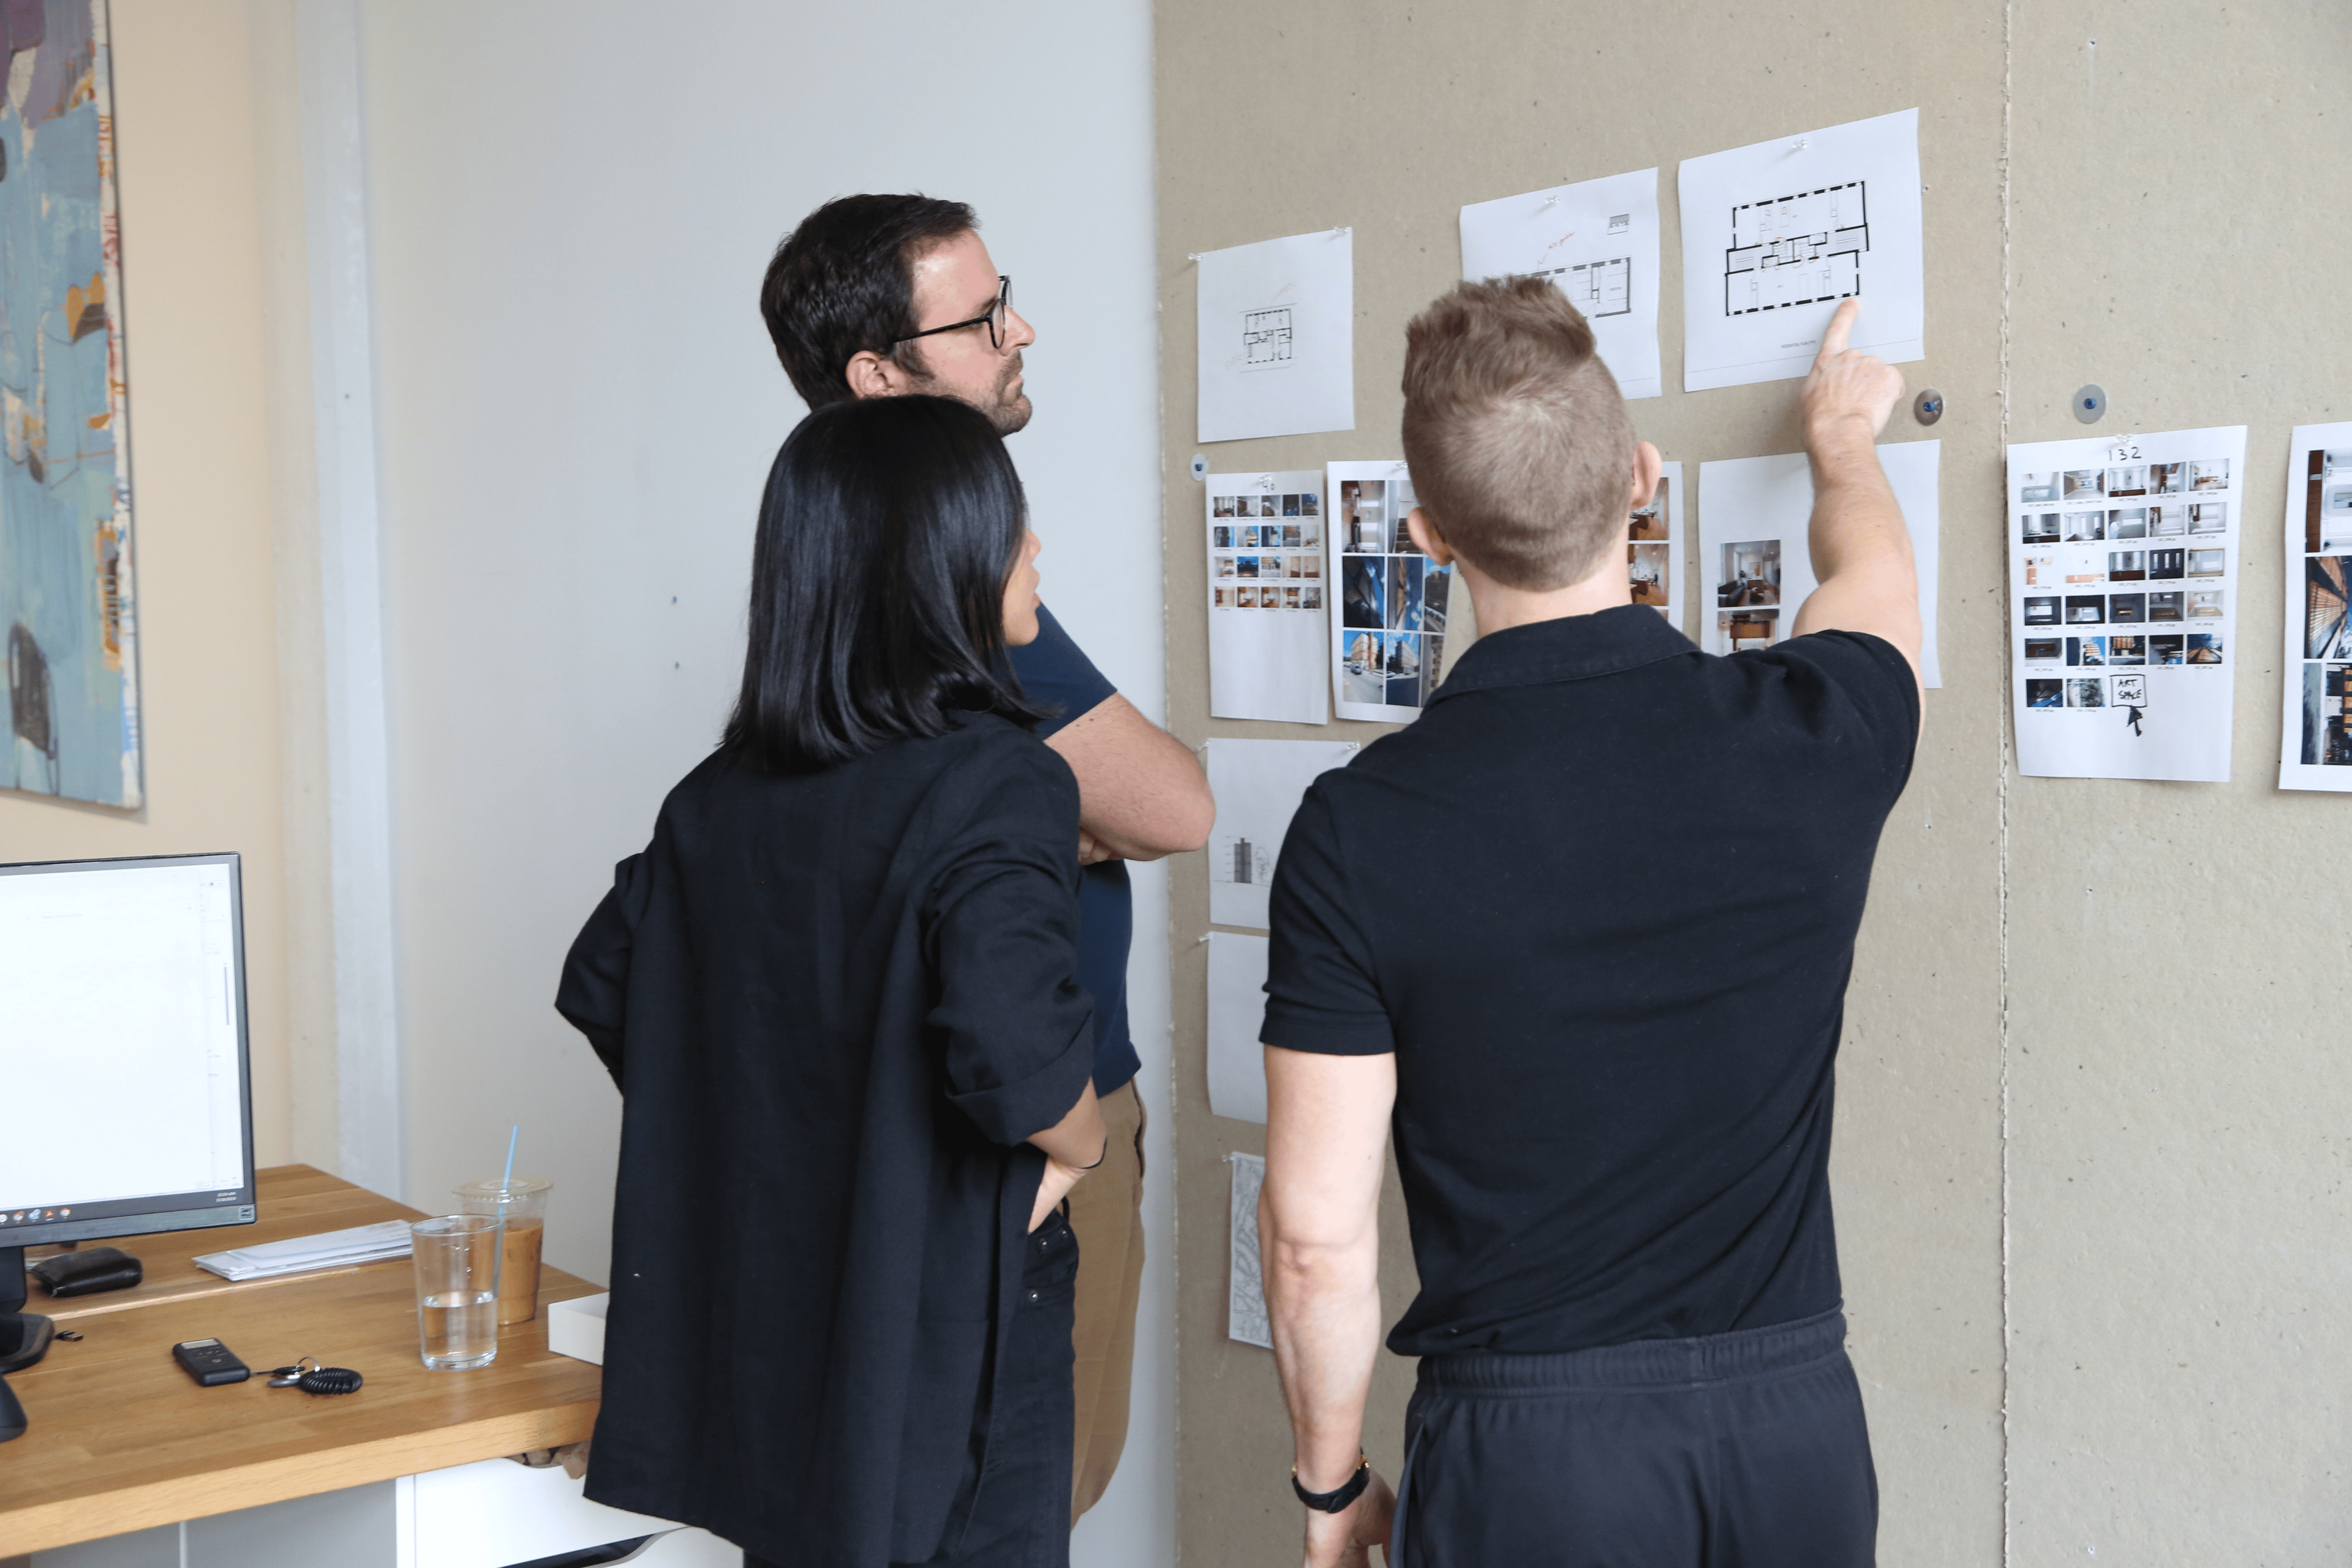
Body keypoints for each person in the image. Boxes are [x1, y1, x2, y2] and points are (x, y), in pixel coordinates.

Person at [1258, 287, 1922, 1568]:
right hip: (1795, 1435)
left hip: (1536, 1461)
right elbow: (1874, 576)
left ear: (1429, 533)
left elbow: (1314, 1235)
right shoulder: (1811, 728)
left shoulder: (1359, 828)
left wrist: (1332, 1491)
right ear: (1642, 479)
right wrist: (1841, 439)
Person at [556, 396, 1111, 1567]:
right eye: (1015, 523)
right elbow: (1017, 1059)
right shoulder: (999, 780)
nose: (1037, 550)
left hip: (787, 1312)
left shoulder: (717, 795)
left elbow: (611, 980)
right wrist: (1080, 1148)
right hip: (945, 1309)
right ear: (947, 559)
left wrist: (790, 1138)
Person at [761, 194, 1213, 1523]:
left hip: (874, 1127)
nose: (1023, 330)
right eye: (979, 318)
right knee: (1019, 1496)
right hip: (1019, 1121)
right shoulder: (949, 566)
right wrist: (1070, 1135)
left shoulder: (819, 561)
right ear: (877, 374)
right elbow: (1176, 805)